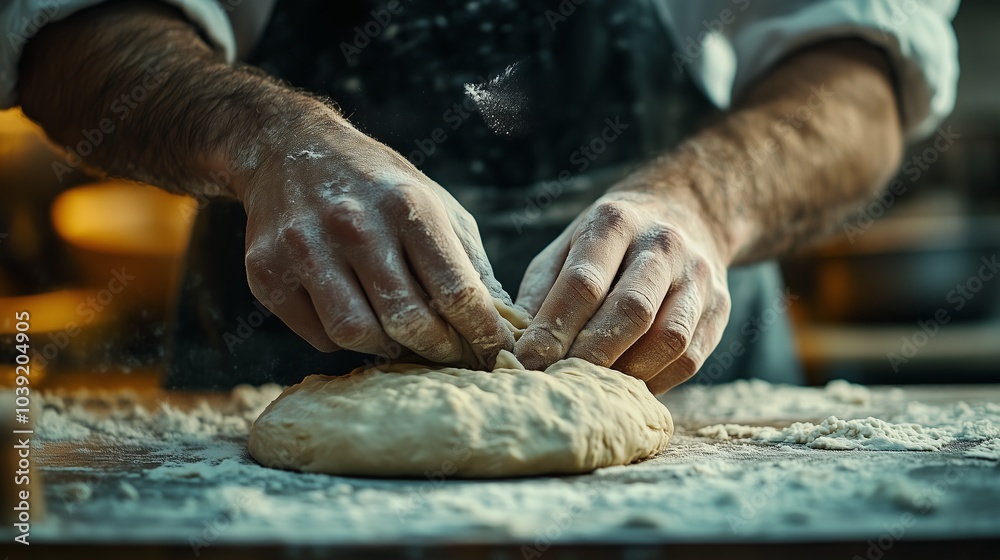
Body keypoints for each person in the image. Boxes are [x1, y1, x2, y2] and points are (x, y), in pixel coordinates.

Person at [3, 0, 959, 392]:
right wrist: (267, 140)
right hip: (269, 372)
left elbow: (862, 70)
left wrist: (710, 200)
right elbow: (63, 36)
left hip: (689, 376)